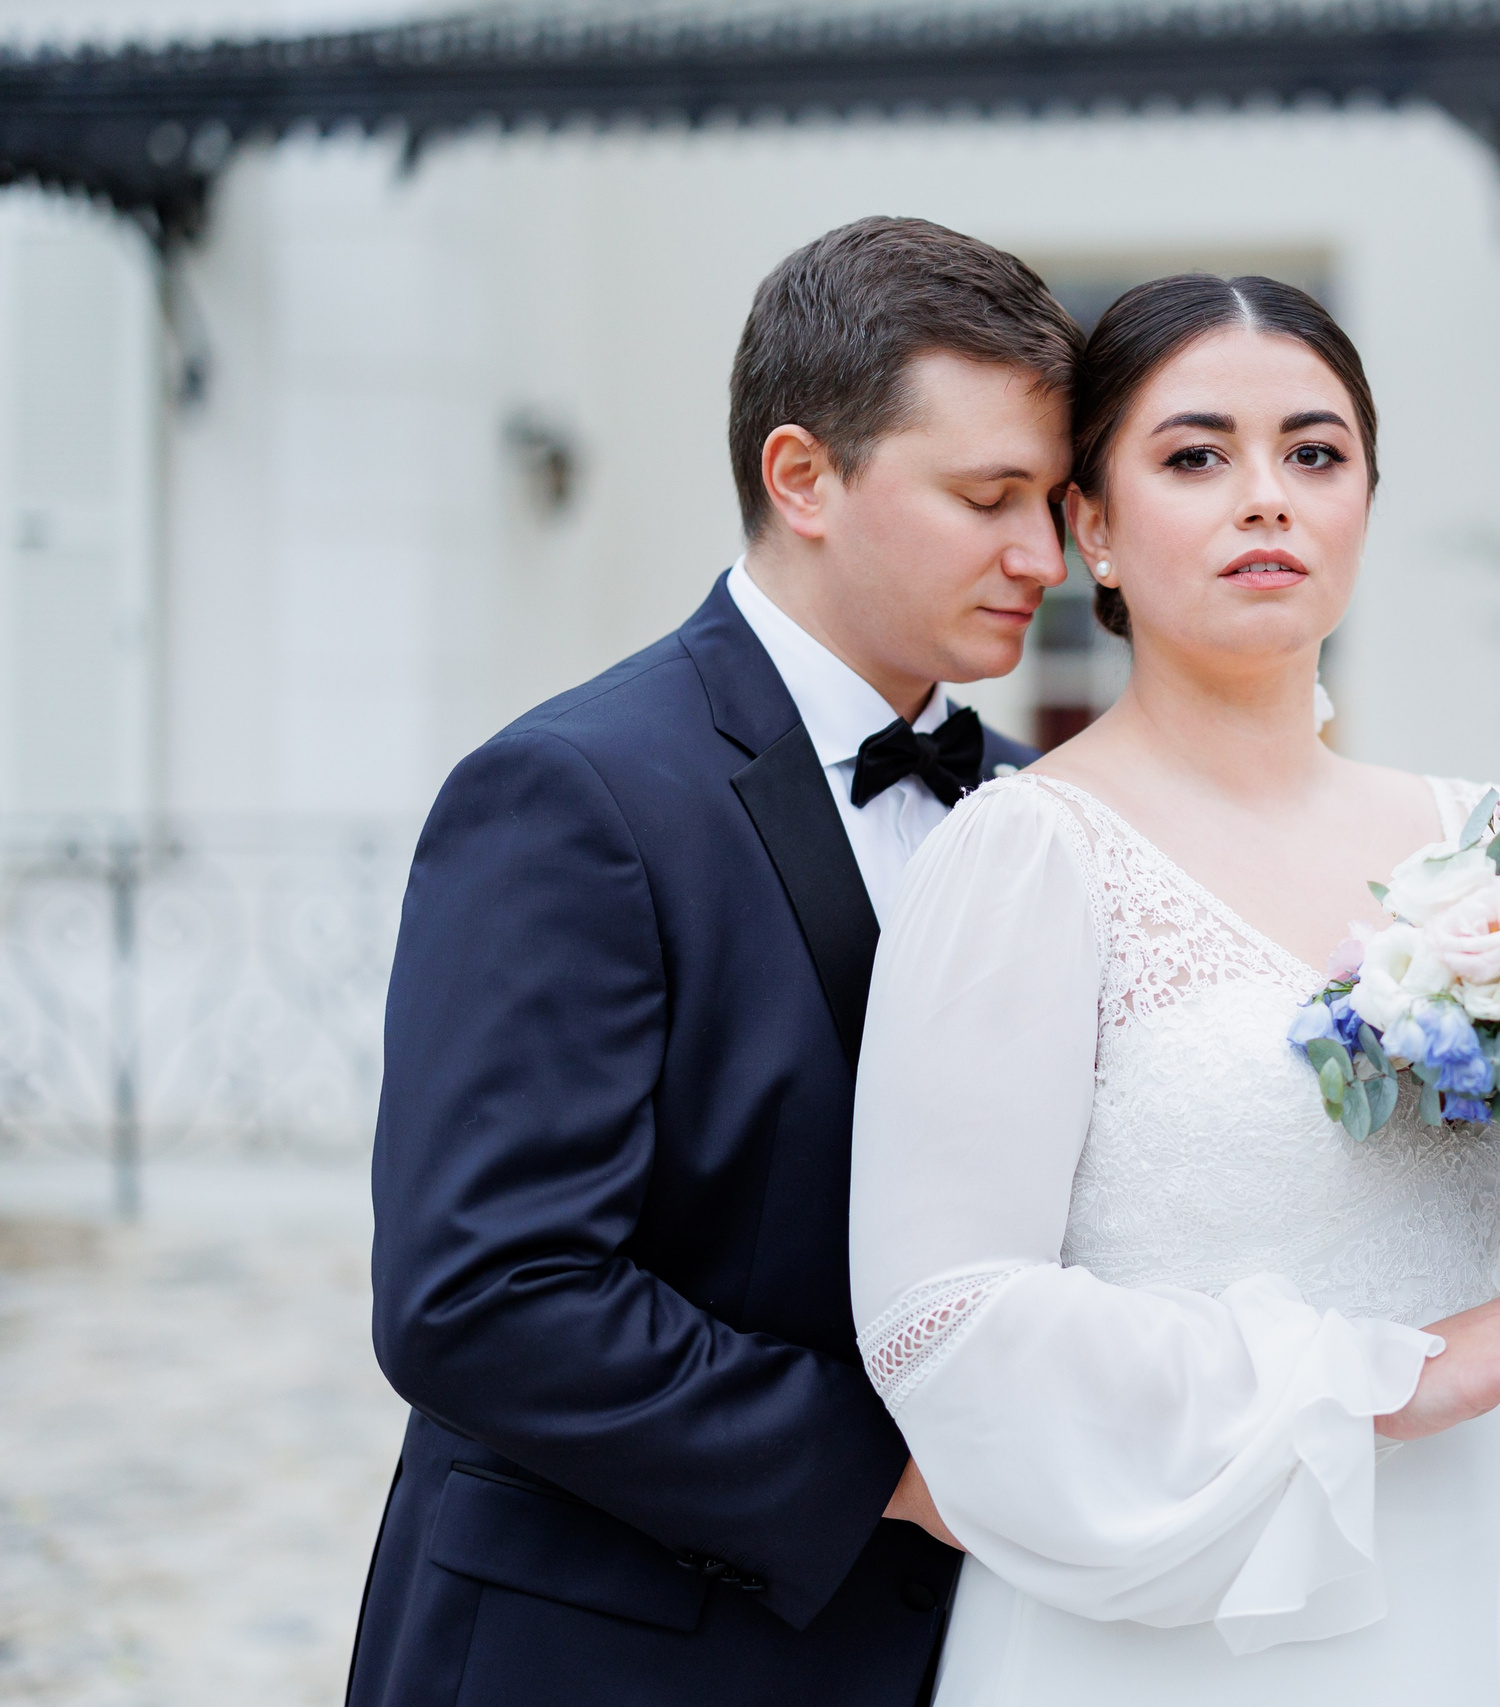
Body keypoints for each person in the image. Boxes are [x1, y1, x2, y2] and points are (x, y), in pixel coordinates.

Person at [848, 274, 1500, 1704]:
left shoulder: (1491, 848)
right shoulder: (1025, 855)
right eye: (1197, 456)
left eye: (1314, 454)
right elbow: (943, 1319)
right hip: (1176, 1630)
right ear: (1093, 528)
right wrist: (1387, 1376)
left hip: (1474, 1596)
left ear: (1366, 502)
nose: (1267, 497)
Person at [349, 217, 1077, 1707]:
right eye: (987, 497)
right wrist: (893, 1472)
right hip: (602, 1650)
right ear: (802, 476)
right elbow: (484, 1293)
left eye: (1056, 502)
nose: (1044, 558)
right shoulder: (572, 793)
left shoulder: (1047, 811)